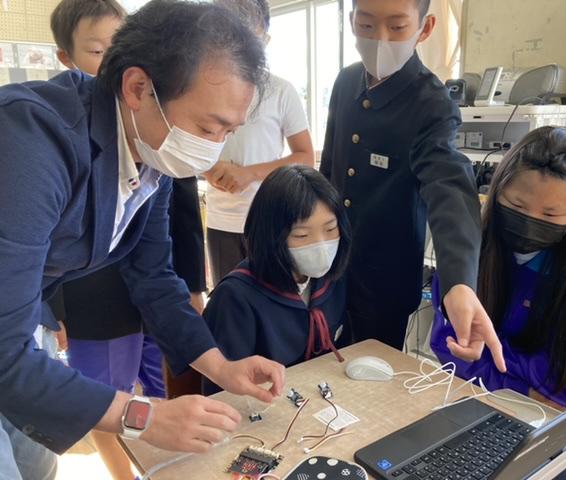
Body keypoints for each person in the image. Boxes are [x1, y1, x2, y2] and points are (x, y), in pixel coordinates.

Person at [0, 2, 285, 478]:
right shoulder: (31, 139)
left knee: (35, 464)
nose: (212, 148)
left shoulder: (151, 153)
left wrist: (221, 367)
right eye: (207, 127)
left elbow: (152, 276)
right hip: (8, 335)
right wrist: (142, 417)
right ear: (137, 88)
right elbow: (4, 353)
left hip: (18, 323)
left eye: (227, 132)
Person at [431, 126, 566, 479]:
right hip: (498, 390)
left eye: (551, 215)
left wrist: (501, 367)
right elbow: (449, 348)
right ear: (496, 190)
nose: (530, 222)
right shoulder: (469, 251)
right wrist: (520, 383)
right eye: (517, 206)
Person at [320, 0, 505, 370]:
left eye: (397, 27)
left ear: (425, 27)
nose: (380, 40)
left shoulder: (431, 102)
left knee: (369, 377)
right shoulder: (345, 82)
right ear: (351, 20)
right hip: (329, 264)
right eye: (366, 25)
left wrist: (459, 283)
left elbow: (449, 188)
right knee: (317, 363)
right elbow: (328, 172)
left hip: (383, 281)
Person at [51, 2, 167, 477]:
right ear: (67, 58)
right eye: (99, 51)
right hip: (92, 300)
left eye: (122, 48)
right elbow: (44, 249)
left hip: (146, 292)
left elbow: (167, 230)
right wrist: (53, 310)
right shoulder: (58, 141)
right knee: (105, 398)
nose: (115, 65)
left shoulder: (155, 129)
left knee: (154, 388)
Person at [202, 165, 351, 395]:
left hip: (322, 399)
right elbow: (221, 393)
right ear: (271, 236)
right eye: (302, 235)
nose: (321, 246)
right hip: (264, 407)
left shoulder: (331, 280)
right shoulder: (235, 299)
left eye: (331, 229)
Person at [205, 0, 314, 286]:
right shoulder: (203, 87)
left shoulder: (280, 90)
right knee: (228, 301)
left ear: (264, 38)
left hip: (269, 219)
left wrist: (249, 173)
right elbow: (188, 146)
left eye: (248, 37)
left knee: (274, 301)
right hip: (221, 220)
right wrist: (209, 169)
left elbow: (305, 156)